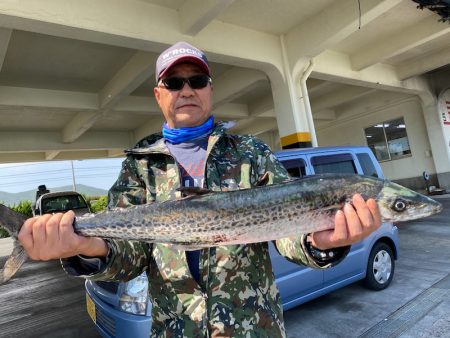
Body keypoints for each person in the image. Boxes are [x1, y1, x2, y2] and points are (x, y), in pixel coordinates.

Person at [18, 41, 381, 337]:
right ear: (159, 95)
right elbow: (128, 256)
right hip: (175, 329)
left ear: (210, 89)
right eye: (174, 83)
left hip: (255, 329)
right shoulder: (140, 165)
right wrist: (83, 244)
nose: (186, 90)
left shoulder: (250, 153)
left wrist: (321, 242)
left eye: (197, 80)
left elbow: (286, 232)